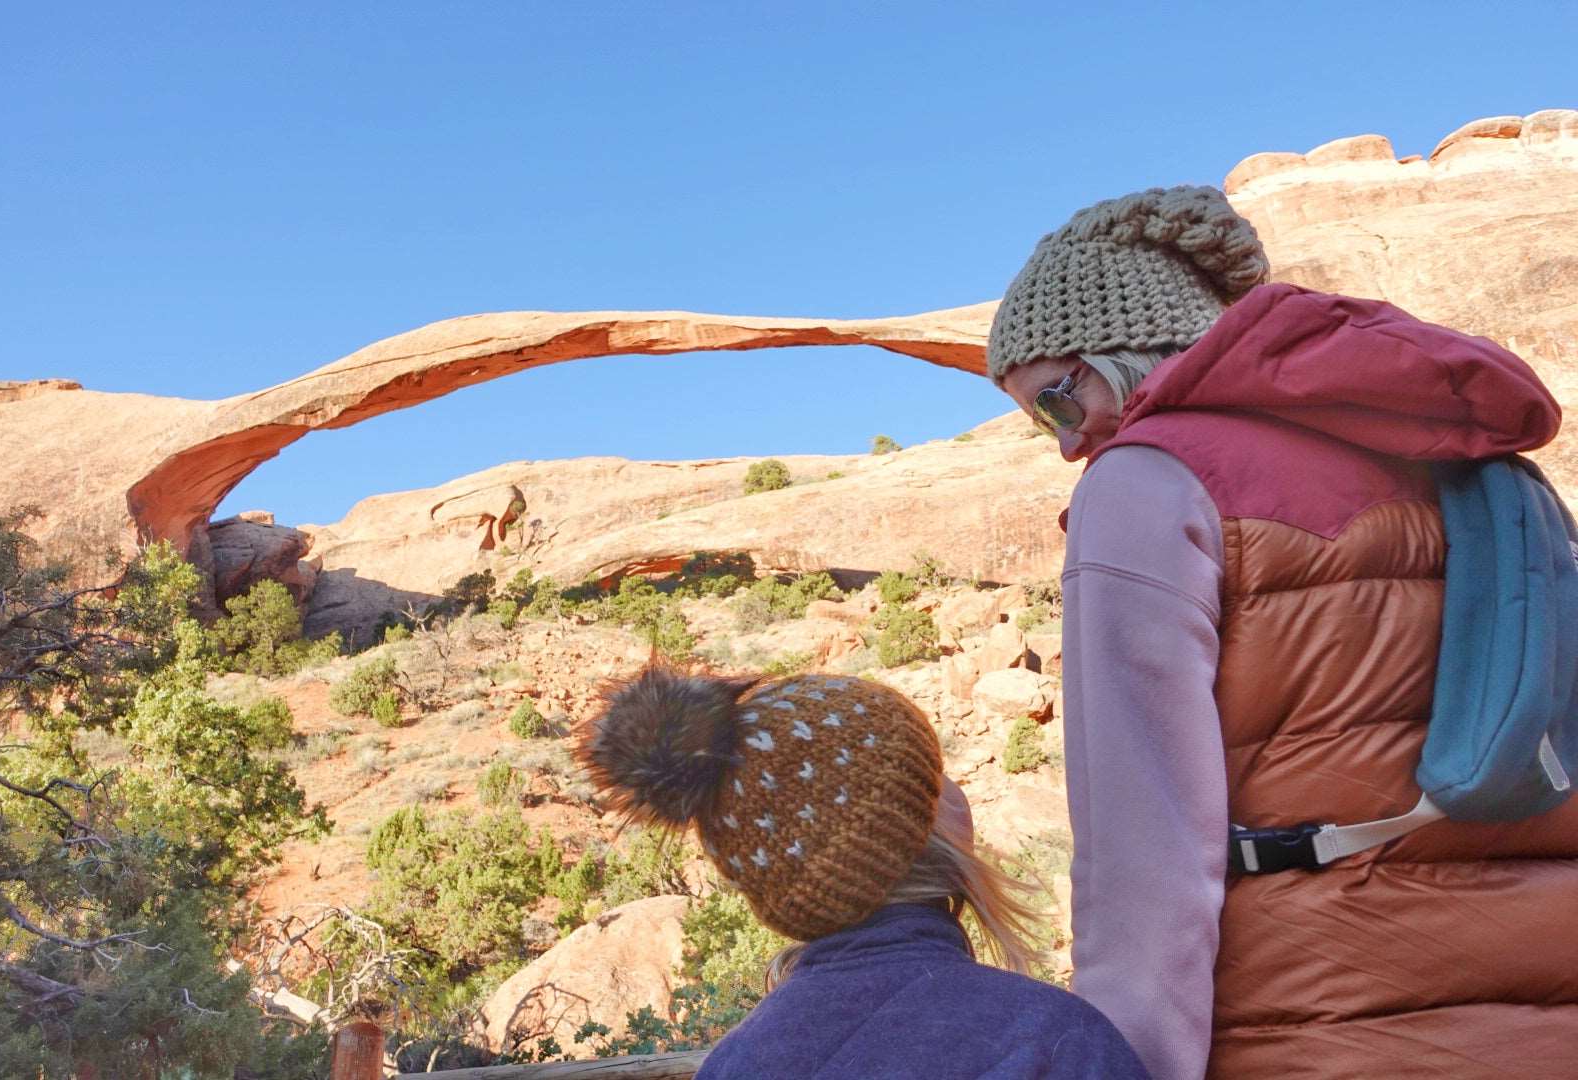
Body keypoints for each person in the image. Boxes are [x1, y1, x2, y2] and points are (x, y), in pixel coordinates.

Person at [986, 184, 1578, 1078]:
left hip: (1319, 1023)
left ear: (1124, 351)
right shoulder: (1480, 471)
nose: (1068, 446)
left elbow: (1145, 857)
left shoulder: (1147, 483)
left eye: (1058, 404)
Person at [574, 663, 1150, 1079]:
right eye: (935, 775)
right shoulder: (1051, 1041)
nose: (956, 790)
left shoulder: (733, 1064)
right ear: (921, 829)